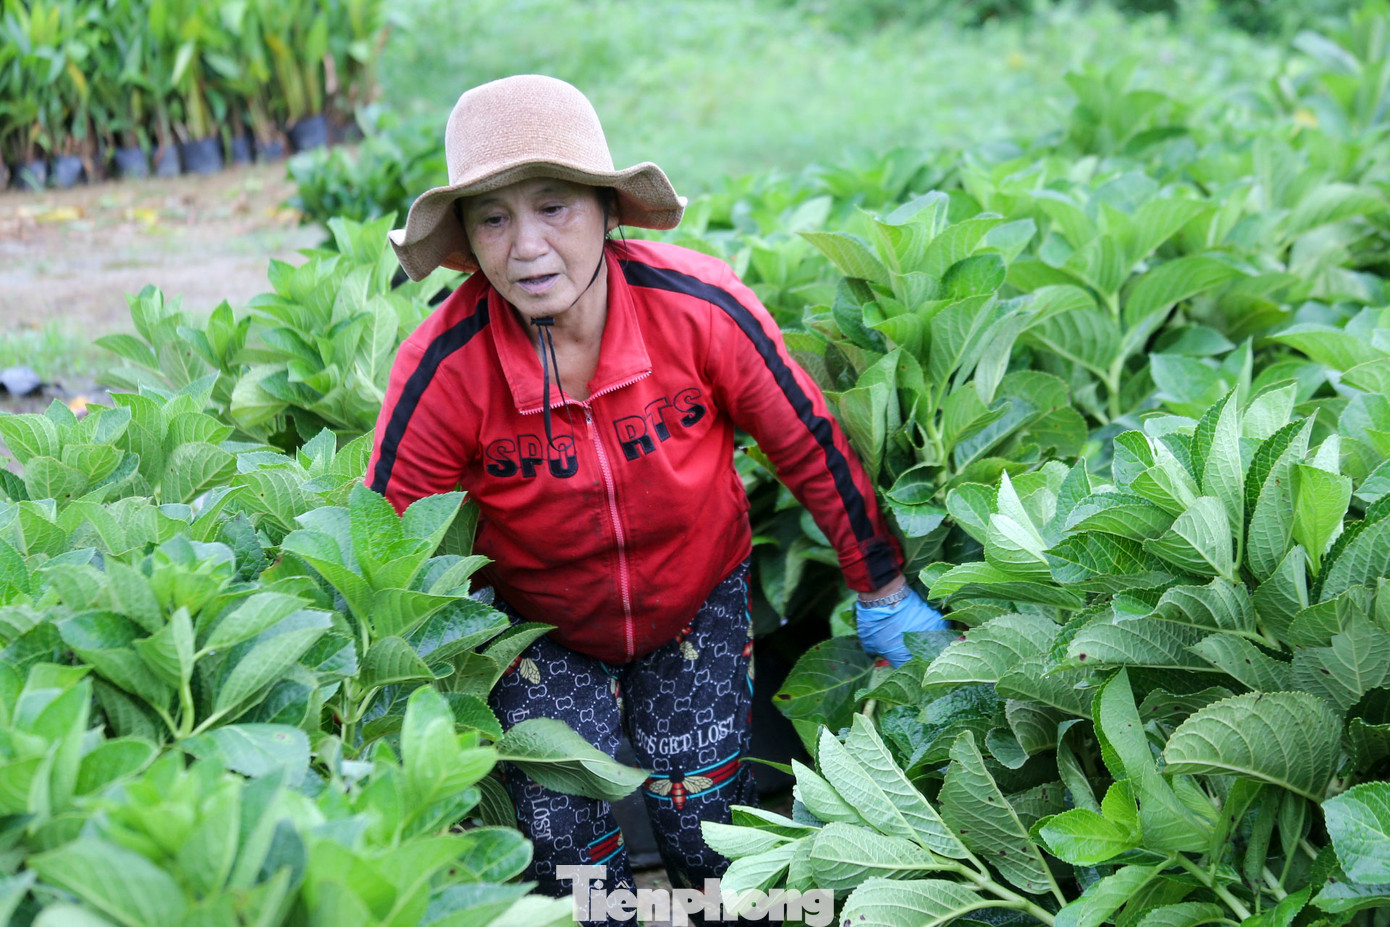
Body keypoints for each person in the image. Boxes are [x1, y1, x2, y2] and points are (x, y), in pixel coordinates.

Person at [366, 74, 946, 923]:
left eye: (553, 205)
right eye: (493, 217)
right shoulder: (444, 366)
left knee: (704, 820)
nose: (525, 246)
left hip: (695, 596)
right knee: (563, 835)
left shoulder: (699, 308)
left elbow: (806, 441)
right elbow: (387, 546)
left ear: (607, 210)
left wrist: (885, 589)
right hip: (538, 626)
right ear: (468, 239)